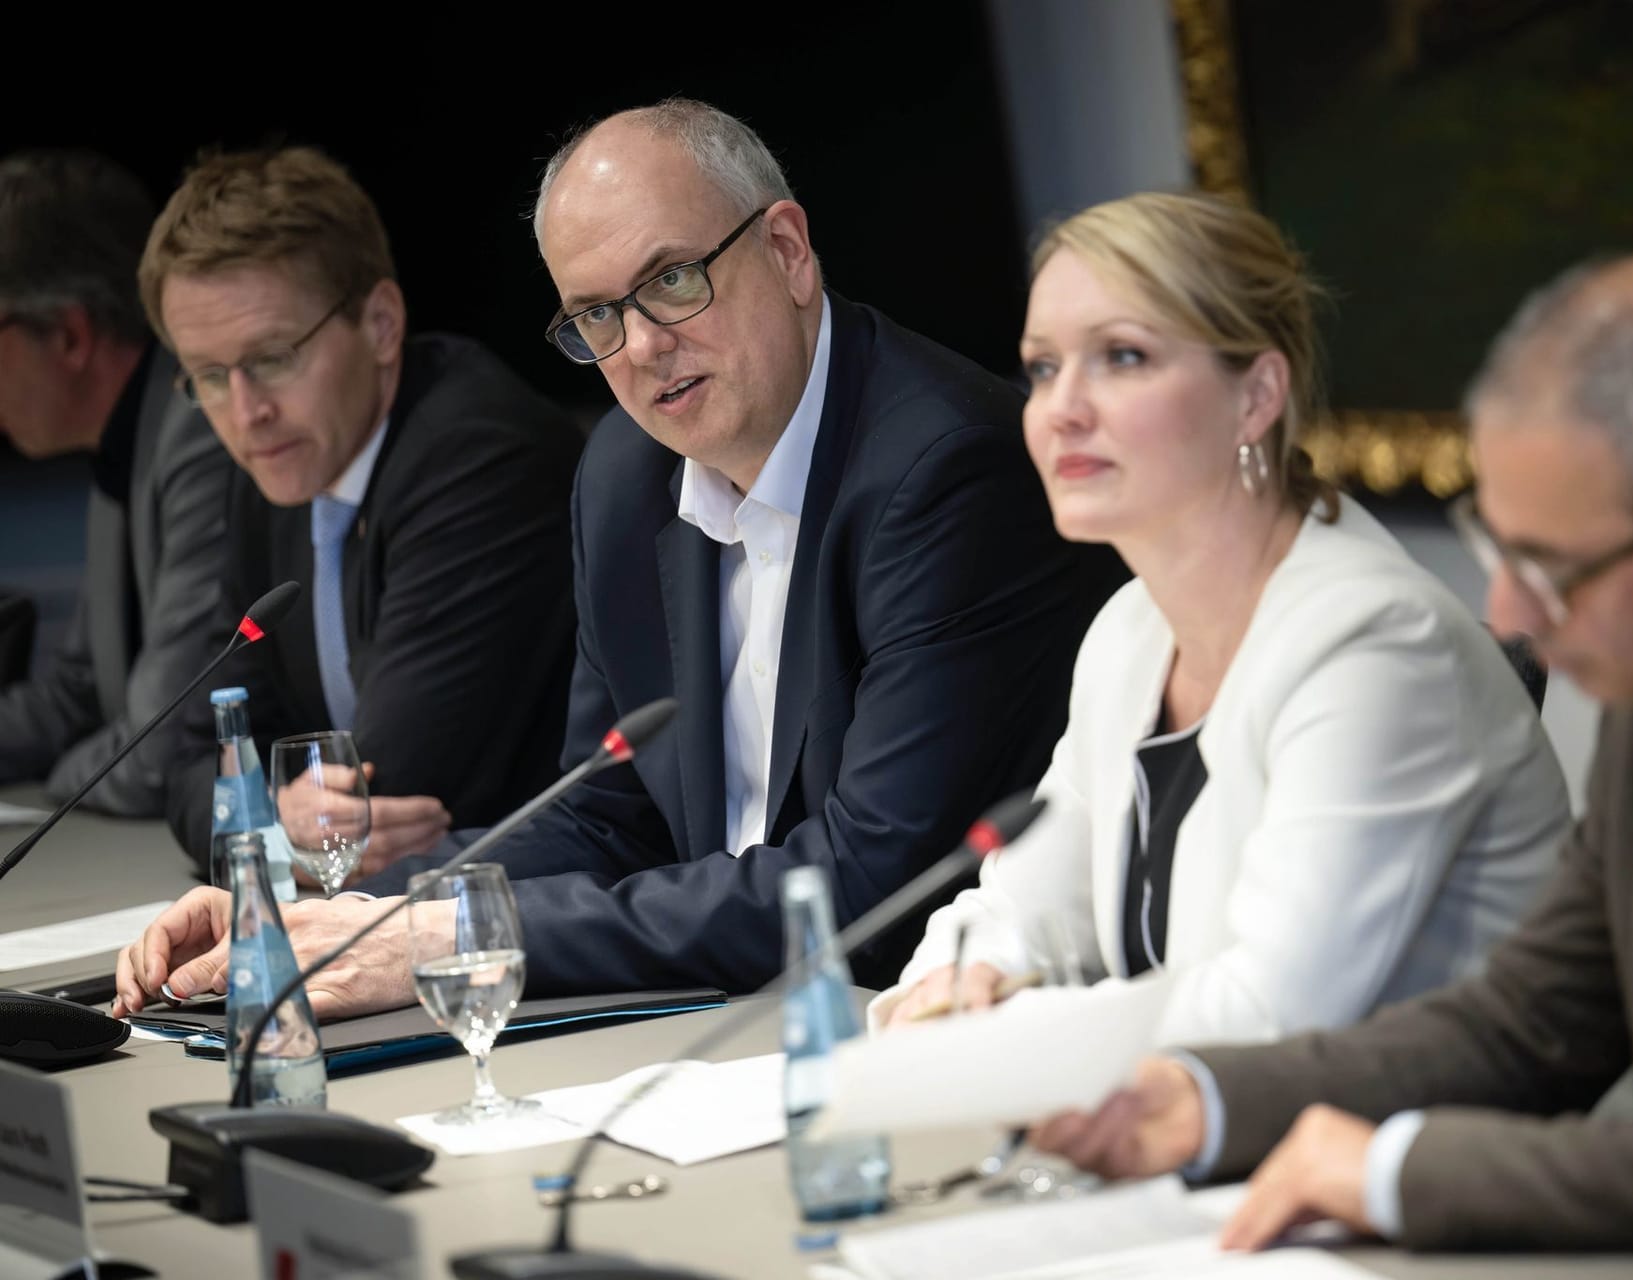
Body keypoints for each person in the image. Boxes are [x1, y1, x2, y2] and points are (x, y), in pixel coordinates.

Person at [113, 100, 1121, 1019]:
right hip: (710, 1013)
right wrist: (332, 907)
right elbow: (604, 812)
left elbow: (861, 883)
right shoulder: (628, 472)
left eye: (672, 282)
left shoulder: (944, 471)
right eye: (596, 314)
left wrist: (453, 932)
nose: (639, 346)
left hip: (909, 1016)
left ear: (787, 251)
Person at [1031, 254, 1633, 1252]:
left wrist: (1393, 1172)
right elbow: (1535, 1016)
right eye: (1497, 549)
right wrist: (1206, 1095)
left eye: (1548, 566)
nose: (1506, 613)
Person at [873, 192, 1568, 1045]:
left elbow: (1268, 1017)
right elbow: (1023, 902)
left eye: (1122, 357)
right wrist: (957, 977)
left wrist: (995, 1028)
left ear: (1257, 395)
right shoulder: (1131, 632)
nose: (1063, 408)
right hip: (1199, 1146)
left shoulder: (1379, 644)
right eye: (1045, 367)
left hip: (1412, 1160)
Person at [142, 145, 581, 884]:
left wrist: (273, 822)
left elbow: (390, 792)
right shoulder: (273, 469)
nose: (246, 412)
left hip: (539, 916)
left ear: (379, 324)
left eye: (274, 357)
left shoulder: (478, 456)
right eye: (210, 377)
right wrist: (284, 827)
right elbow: (189, 759)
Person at [0, 149, 231, 816]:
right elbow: (78, 695)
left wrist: (55, 788)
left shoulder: (200, 425)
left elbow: (155, 750)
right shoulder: (125, 441)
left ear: (71, 336)